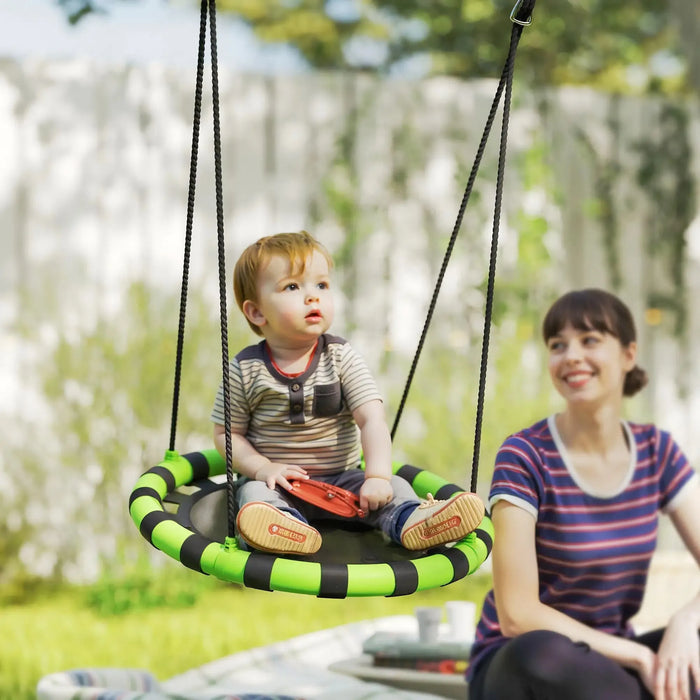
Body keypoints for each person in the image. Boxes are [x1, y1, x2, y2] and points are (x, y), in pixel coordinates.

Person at [467, 288, 700, 700]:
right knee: (543, 655)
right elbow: (517, 616)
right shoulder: (525, 455)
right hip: (525, 664)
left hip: (610, 666)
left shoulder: (656, 452)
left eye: (590, 340)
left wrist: (685, 622)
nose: (571, 355)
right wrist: (642, 658)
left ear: (629, 355)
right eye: (558, 345)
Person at [211, 230, 484, 555]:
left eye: (321, 285)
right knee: (253, 493)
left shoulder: (340, 356)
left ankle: (414, 522)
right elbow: (228, 435)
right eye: (293, 287)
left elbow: (371, 419)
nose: (312, 297)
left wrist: (378, 477)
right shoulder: (245, 368)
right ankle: (281, 528)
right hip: (280, 485)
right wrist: (262, 467)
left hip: (344, 482)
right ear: (257, 312)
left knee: (395, 487)